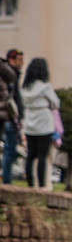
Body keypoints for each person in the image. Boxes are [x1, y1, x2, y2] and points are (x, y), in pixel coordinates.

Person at [19, 57, 60, 189]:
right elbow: (56, 103)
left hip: (30, 121)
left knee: (30, 154)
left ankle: (30, 183)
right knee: (42, 155)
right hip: (44, 122)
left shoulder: (25, 88)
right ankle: (41, 184)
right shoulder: (45, 87)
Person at [0, 48, 21, 184]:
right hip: (4, 113)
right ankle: (6, 179)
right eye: (19, 60)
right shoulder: (5, 70)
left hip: (5, 114)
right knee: (10, 148)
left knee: (10, 149)